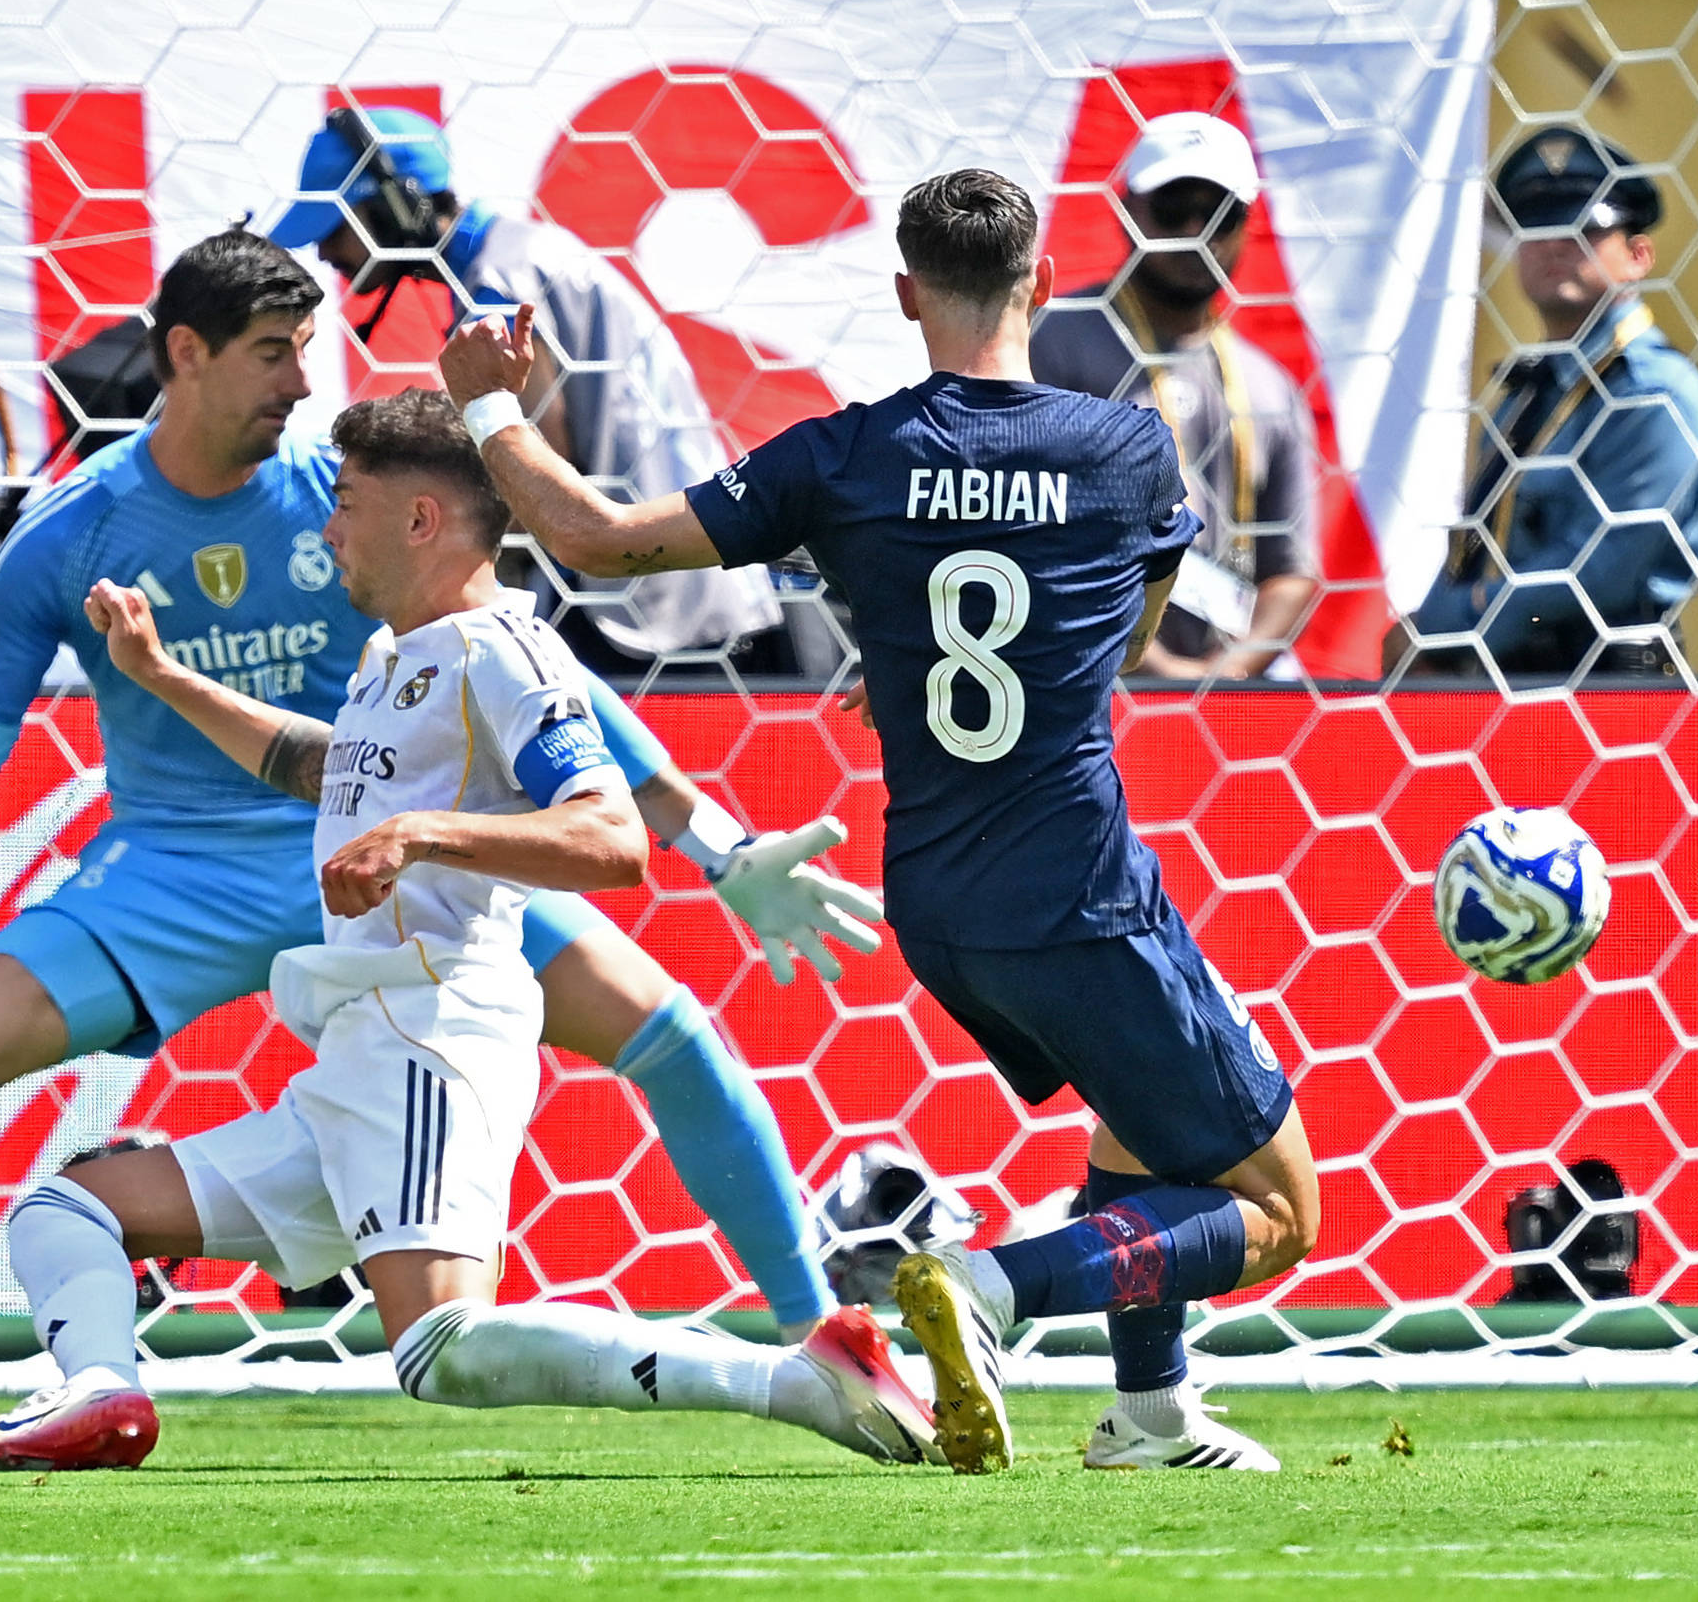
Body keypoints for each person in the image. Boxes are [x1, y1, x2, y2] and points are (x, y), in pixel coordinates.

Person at [0, 234, 881, 1429]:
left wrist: (714, 844)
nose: (304, 381)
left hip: (394, 855)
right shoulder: (72, 533)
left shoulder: (347, 496)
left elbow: (539, 681)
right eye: (274, 353)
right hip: (179, 875)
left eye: (308, 347)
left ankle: (825, 1339)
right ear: (185, 354)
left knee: (673, 1036)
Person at [438, 170, 1324, 1477]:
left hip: (940, 909)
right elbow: (1126, 640)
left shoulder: (846, 456)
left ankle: (1153, 1415)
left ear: (907, 293)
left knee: (1138, 1120)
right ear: (1041, 283)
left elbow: (602, 541)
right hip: (1079, 891)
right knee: (1277, 1210)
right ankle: (987, 1284)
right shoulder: (1125, 447)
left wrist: (490, 405)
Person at [0, 390, 935, 1473]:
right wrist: (162, 678)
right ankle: (101, 1395)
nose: (327, 531)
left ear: (420, 520)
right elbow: (319, 766)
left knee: (439, 1347)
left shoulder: (503, 654)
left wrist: (421, 834)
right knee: (64, 1208)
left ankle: (798, 1377)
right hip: (353, 1064)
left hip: (431, 1036)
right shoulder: (399, 656)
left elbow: (610, 838)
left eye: (347, 505)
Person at [269, 104, 783, 671]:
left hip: (639, 613)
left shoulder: (497, 285)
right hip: (674, 580)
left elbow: (530, 468)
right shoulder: (519, 253)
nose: (324, 253)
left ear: (396, 207)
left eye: (335, 229)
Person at [1408, 129, 1698, 683]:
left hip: (1608, 696)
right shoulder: (1528, 392)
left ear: (1638, 256)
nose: (1555, 244)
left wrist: (1443, 628)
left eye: (1584, 227)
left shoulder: (1654, 394)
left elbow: (1597, 574)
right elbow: (1476, 547)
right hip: (1500, 686)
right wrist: (1429, 633)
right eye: (1536, 227)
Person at [1029, 113, 1320, 680]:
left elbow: (1291, 571)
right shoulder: (1054, 344)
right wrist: (1148, 662)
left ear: (1247, 224)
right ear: (1126, 212)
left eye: (1218, 213)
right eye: (1172, 208)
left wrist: (1228, 672)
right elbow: (1028, 530)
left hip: (1226, 695)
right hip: (1081, 683)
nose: (1194, 230)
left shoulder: (1270, 385)